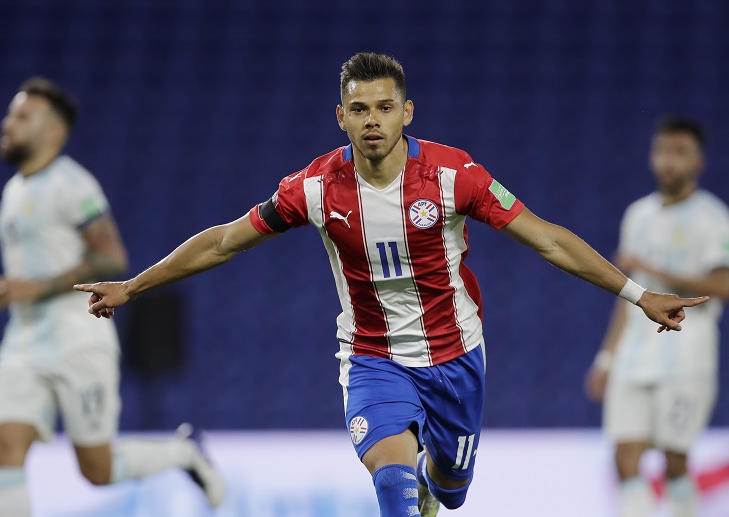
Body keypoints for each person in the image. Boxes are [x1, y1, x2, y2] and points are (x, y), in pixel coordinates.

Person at [75, 53, 708, 517]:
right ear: (340, 117)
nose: (372, 121)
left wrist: (638, 294)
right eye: (359, 109)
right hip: (373, 359)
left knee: (449, 492)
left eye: (384, 108)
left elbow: (546, 238)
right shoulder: (314, 189)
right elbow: (222, 241)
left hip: (456, 357)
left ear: (406, 111)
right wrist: (136, 284)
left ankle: (441, 485)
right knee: (394, 492)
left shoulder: (455, 176)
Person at [0, 77, 226, 516]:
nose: (7, 122)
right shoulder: (14, 192)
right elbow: (31, 273)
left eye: (21, 116)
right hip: (23, 341)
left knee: (97, 469)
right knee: (4, 446)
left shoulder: (71, 184)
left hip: (78, 339)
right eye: (11, 114)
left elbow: (111, 255)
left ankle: (183, 453)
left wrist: (35, 288)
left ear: (53, 132)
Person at [585, 116, 729, 517]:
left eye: (679, 153)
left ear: (697, 162)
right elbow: (628, 295)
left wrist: (653, 271)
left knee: (674, 460)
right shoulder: (638, 215)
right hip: (634, 351)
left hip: (687, 352)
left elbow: (723, 284)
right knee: (624, 457)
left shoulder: (713, 218)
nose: (669, 161)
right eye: (663, 150)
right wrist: (606, 357)